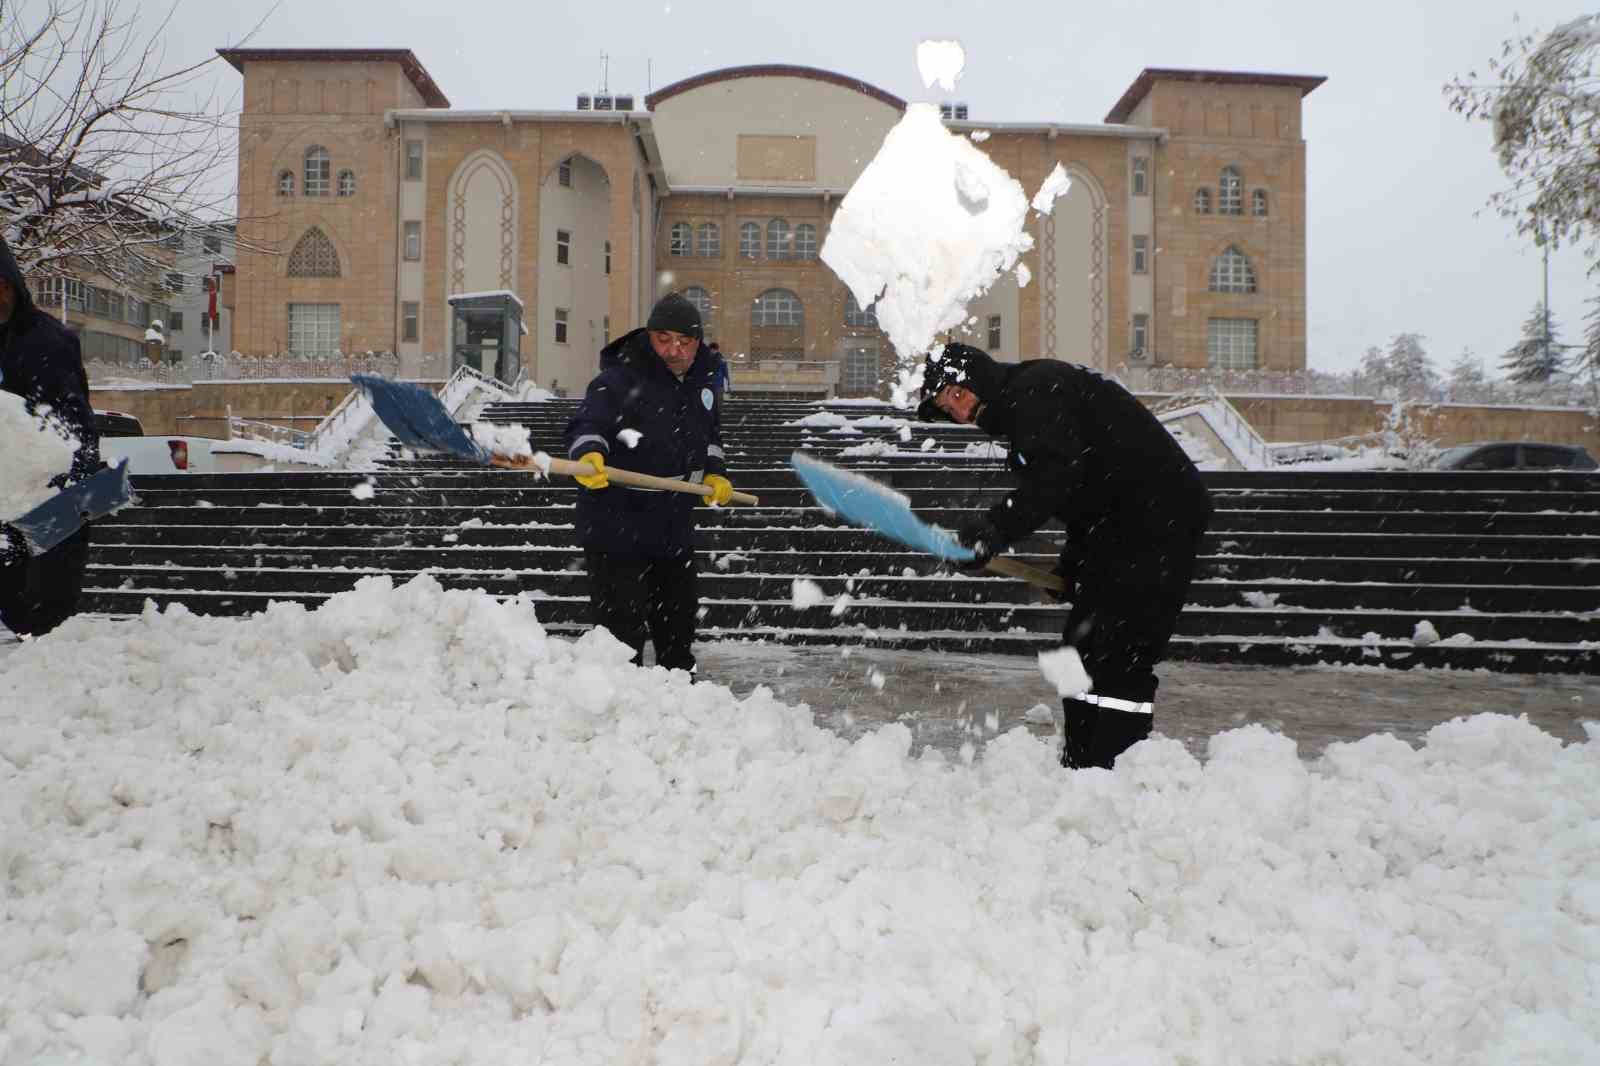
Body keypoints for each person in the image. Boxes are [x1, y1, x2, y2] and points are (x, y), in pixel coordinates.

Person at [918, 342, 1211, 769]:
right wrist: (1076, 564)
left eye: (957, 396)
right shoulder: (1028, 403)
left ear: (977, 379)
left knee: (1119, 654)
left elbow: (1058, 477)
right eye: (948, 408)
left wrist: (994, 530)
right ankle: (1083, 765)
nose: (959, 414)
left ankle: (1117, 771)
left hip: (1156, 524)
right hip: (1121, 528)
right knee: (1081, 648)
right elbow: (1085, 496)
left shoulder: (1034, 392)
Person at [562, 292, 736, 676]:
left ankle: (680, 701)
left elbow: (710, 437)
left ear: (697, 342)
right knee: (621, 633)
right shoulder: (619, 379)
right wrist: (589, 454)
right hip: (618, 521)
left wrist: (715, 472)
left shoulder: (703, 383)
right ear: (648, 336)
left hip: (672, 522)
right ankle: (622, 708)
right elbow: (588, 424)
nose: (674, 350)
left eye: (684, 341)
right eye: (664, 339)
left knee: (678, 625)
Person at [0, 235, 103, 637]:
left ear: (11, 284)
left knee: (46, 609)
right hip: (10, 494)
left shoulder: (44, 340)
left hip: (57, 490)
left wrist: (73, 483)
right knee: (13, 600)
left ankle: (53, 671)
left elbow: (72, 421)